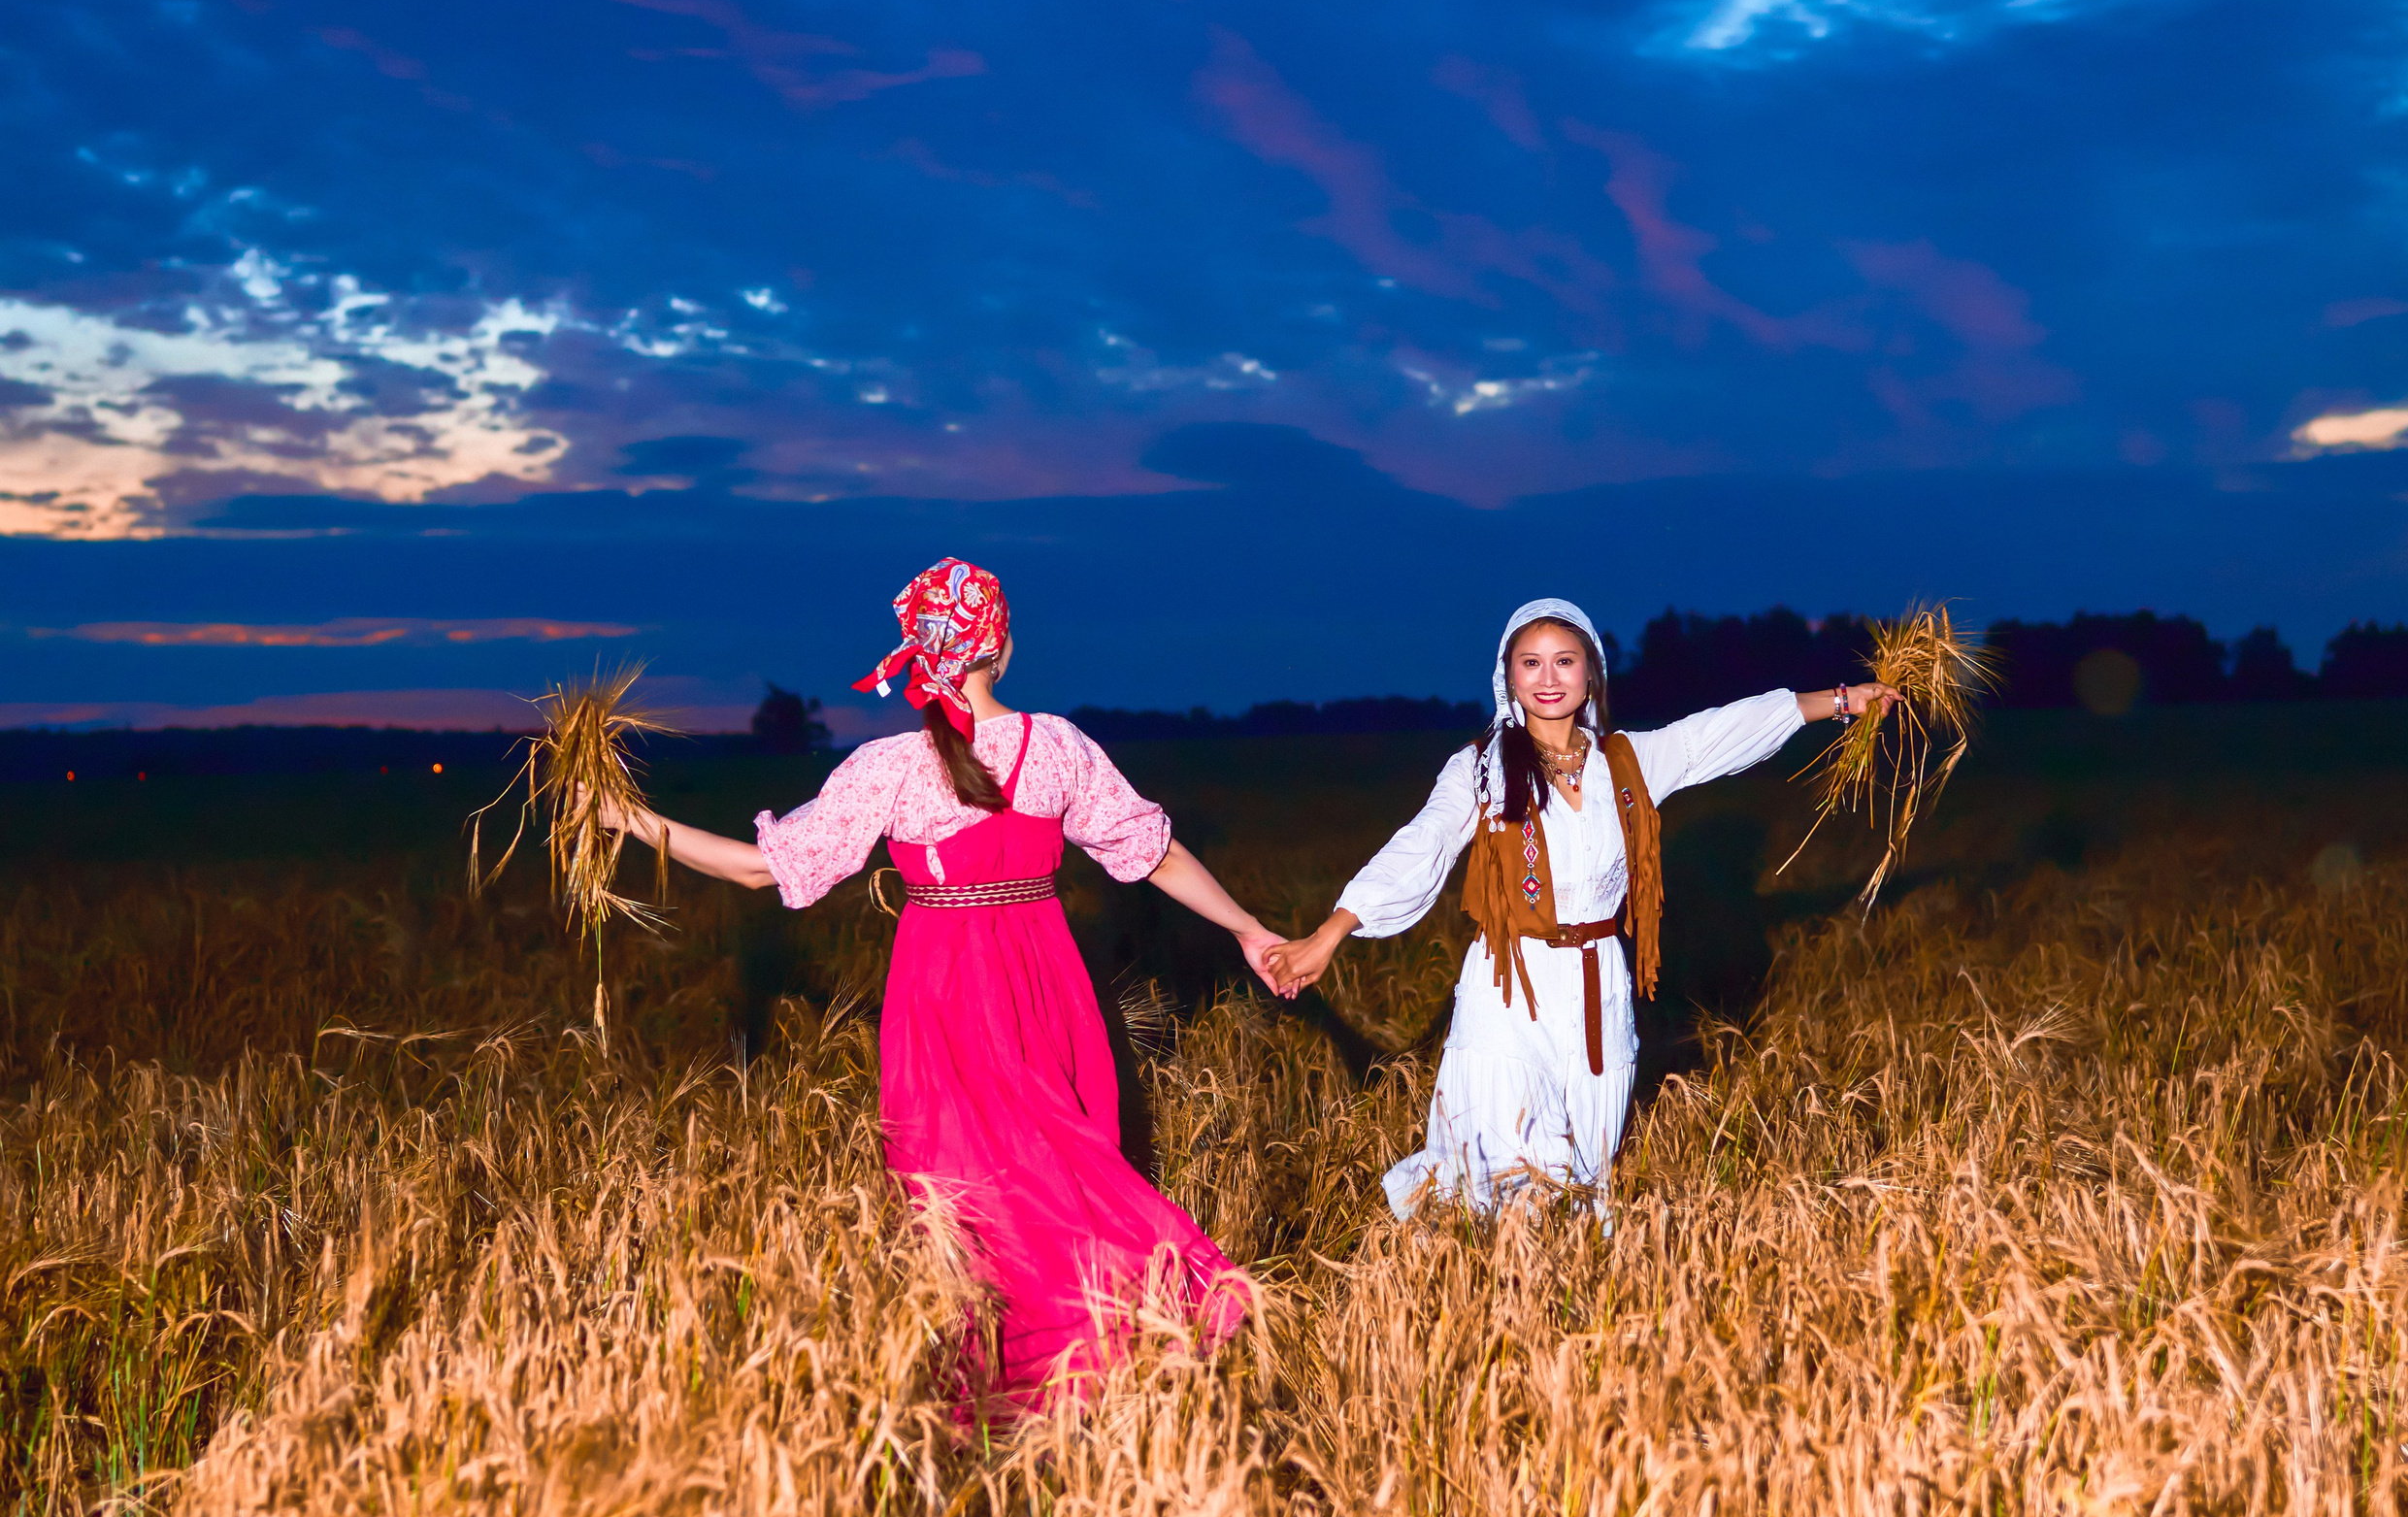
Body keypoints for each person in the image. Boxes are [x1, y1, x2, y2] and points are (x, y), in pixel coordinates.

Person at [600, 557, 1280, 1408]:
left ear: (915, 654)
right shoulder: (1057, 746)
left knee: (971, 1192)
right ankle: (1120, 1350)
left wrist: (627, 816)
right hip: (1046, 983)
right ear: (1002, 645)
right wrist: (1250, 929)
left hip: (943, 994)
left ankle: (1019, 1380)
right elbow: (1157, 854)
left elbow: (756, 871)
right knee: (1060, 1161)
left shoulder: (887, 767)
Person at [1266, 598, 1897, 1218]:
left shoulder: (1628, 760)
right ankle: (1479, 1290)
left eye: (1564, 661)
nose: (1547, 678)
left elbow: (1721, 732)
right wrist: (1331, 933)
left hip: (1599, 985)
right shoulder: (1480, 770)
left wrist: (1841, 702)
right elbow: (1420, 846)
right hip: (1508, 986)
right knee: (1501, 1156)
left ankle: (1553, 1298)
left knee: (1580, 1170)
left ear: (1591, 672)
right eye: (1531, 663)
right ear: (1507, 674)